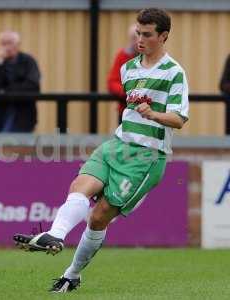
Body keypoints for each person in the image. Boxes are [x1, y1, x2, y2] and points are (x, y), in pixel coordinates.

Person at [13, 8, 189, 293]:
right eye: (138, 33)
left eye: (147, 34)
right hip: (117, 144)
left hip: (146, 157)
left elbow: (179, 119)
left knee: (98, 217)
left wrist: (154, 114)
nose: (140, 39)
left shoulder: (174, 72)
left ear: (163, 36)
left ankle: (72, 274)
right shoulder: (128, 68)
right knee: (80, 185)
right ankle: (54, 235)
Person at [0, 30, 41, 133]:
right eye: (3, 43)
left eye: (9, 43)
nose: (6, 47)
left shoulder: (28, 61)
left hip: (24, 116)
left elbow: (33, 85)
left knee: (21, 147)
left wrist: (5, 91)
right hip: (0, 117)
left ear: (18, 45)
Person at [107, 24, 138, 124]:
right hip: (126, 111)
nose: (137, 41)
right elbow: (112, 82)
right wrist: (129, 93)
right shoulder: (123, 55)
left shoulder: (152, 57)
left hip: (149, 112)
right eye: (134, 38)